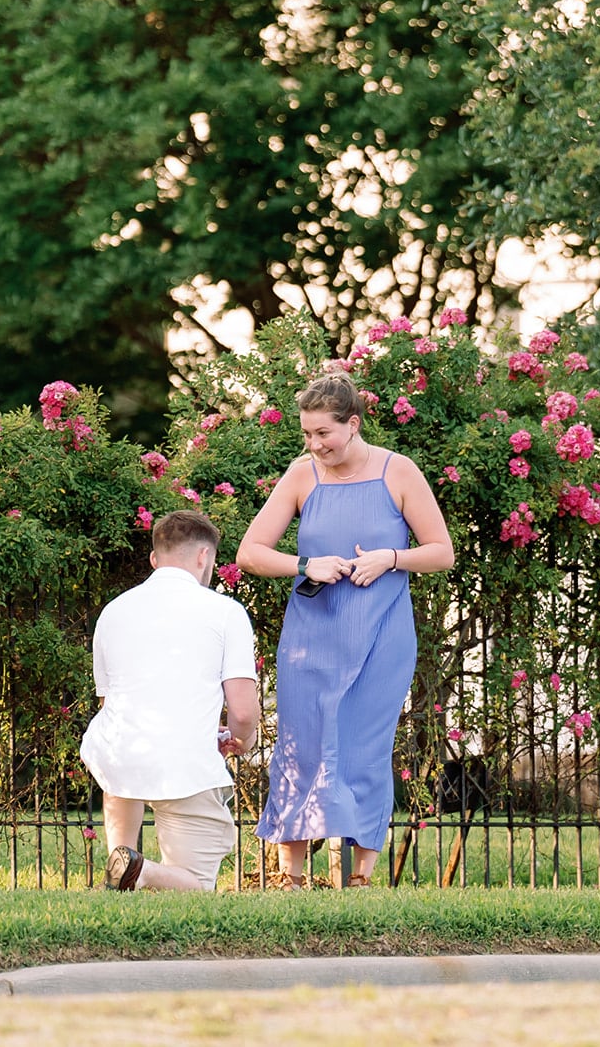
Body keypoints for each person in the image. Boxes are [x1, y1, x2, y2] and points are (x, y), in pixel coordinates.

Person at [237, 369, 455, 888]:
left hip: (382, 635)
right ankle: (291, 876)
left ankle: (361, 876)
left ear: (352, 424)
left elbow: (442, 552)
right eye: (306, 435)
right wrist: (304, 564)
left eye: (323, 434)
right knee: (301, 741)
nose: (314, 444)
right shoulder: (301, 475)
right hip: (312, 635)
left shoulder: (398, 472)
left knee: (365, 745)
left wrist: (392, 558)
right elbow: (250, 553)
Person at [80, 510, 260, 891]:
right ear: (204, 557)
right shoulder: (225, 612)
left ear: (154, 559)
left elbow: (114, 700)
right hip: (185, 764)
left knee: (123, 847)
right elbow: (243, 711)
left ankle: (124, 866)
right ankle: (140, 872)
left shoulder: (114, 611)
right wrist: (243, 740)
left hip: (118, 755)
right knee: (195, 886)